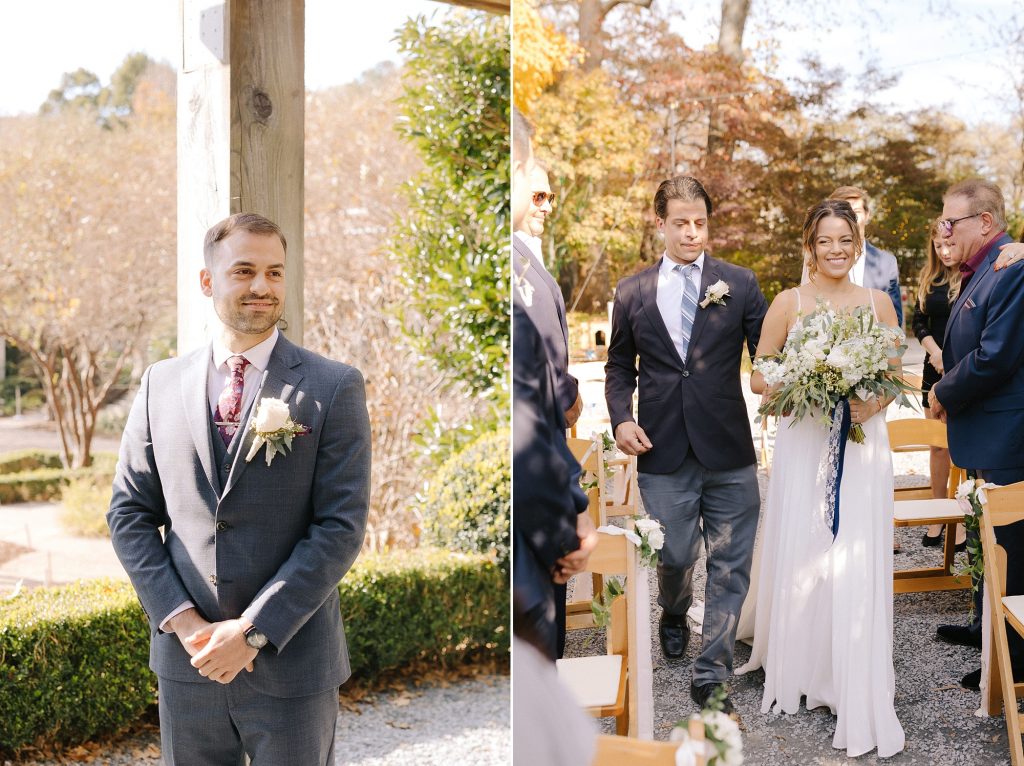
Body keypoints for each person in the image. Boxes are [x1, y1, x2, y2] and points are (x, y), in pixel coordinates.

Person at [107, 212, 371, 765]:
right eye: (244, 270)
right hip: (190, 664)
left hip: (292, 661)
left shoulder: (333, 386)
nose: (262, 287)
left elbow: (339, 529)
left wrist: (251, 632)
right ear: (208, 281)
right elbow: (130, 514)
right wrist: (185, 624)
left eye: (275, 273)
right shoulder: (161, 384)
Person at [738, 199, 905, 758]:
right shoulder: (790, 302)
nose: (835, 250)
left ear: (857, 247)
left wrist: (872, 402)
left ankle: (849, 666)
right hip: (806, 441)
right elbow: (760, 372)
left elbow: (897, 372)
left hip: (860, 445)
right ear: (809, 248)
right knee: (808, 544)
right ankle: (803, 663)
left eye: (845, 241)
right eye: (824, 241)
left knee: (852, 549)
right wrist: (801, 379)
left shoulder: (877, 302)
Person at [604, 175, 767, 713]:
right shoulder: (631, 292)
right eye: (681, 223)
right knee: (675, 554)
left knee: (730, 561)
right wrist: (620, 420)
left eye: (700, 222)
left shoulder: (739, 284)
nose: (693, 233)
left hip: (728, 448)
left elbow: (769, 357)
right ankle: (673, 611)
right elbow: (619, 367)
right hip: (661, 448)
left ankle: (711, 670)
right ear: (661, 224)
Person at [930, 179, 1024, 691]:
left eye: (952, 221)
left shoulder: (1013, 268)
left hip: (1009, 436)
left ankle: (1012, 664)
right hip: (988, 434)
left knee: (1014, 550)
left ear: (984, 222)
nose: (944, 230)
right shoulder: (984, 267)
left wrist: (945, 393)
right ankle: (986, 627)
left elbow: (995, 356)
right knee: (989, 538)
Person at [512, 105, 596, 662]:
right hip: (532, 524)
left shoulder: (527, 266)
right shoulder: (520, 279)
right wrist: (567, 523)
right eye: (534, 189)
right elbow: (531, 416)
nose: (546, 205)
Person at [912, 219, 966, 550]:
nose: (944, 252)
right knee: (937, 445)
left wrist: (952, 358)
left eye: (948, 244)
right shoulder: (929, 278)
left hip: (963, 368)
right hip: (933, 368)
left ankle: (960, 518)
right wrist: (935, 352)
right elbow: (919, 320)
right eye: (937, 246)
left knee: (961, 445)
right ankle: (936, 514)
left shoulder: (973, 275)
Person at [828, 186, 904, 327]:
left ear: (867, 215)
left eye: (856, 212)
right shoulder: (823, 259)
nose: (850, 219)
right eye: (843, 213)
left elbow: (895, 322)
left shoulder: (887, 263)